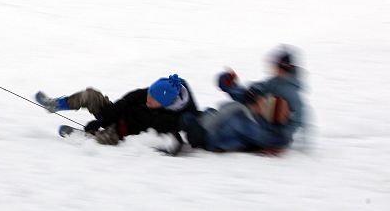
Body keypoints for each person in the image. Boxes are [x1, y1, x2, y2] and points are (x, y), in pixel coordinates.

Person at [181, 46, 305, 154]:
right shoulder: (274, 82)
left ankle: (206, 136)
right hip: (259, 119)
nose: (274, 69)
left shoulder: (291, 93)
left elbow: (298, 120)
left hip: (270, 134)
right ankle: (202, 122)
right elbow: (252, 93)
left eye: (277, 66)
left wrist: (279, 141)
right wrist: (232, 86)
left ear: (284, 67)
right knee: (230, 108)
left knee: (237, 118)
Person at [35, 74, 199, 149]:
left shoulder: (169, 120)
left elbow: (174, 144)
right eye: (148, 93)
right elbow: (123, 103)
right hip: (115, 115)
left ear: (164, 104)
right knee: (91, 95)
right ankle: (55, 104)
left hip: (122, 133)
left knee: (106, 138)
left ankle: (85, 137)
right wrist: (102, 121)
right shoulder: (147, 94)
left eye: (152, 99)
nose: (147, 98)